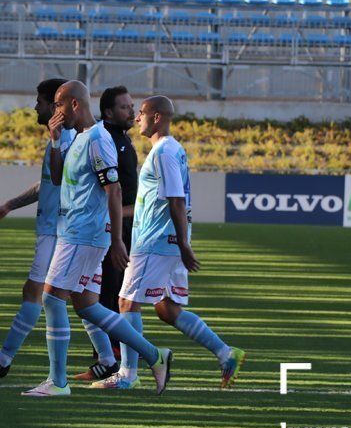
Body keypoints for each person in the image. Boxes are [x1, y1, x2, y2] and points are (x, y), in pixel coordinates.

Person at [23, 81, 173, 397]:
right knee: (88, 306)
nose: (56, 112)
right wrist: (53, 141)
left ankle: (58, 381)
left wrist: (117, 240)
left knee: (51, 297)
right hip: (75, 233)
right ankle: (154, 355)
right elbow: (56, 175)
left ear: (75, 105)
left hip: (85, 234)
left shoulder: (98, 139)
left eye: (60, 106)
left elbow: (114, 190)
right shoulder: (76, 139)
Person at [0, 79, 118, 382]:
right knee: (84, 299)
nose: (35, 106)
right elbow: (47, 183)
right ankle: (109, 360)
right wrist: (9, 204)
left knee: (37, 292)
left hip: (61, 230)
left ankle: (4, 360)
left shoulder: (73, 138)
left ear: (56, 106)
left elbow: (102, 186)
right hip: (68, 230)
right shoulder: (64, 138)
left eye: (40, 101)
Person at [95, 95, 245, 390]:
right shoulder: (171, 150)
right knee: (167, 309)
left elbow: (176, 200)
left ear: (157, 117)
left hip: (157, 240)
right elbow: (156, 201)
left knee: (126, 302)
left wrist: (184, 247)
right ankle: (226, 352)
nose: (137, 118)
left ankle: (127, 374)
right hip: (170, 238)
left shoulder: (163, 152)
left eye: (142, 113)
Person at [75, 86, 139, 381]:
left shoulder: (123, 138)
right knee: (104, 294)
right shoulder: (105, 139)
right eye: (125, 107)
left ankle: (112, 358)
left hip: (124, 227)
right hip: (111, 228)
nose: (132, 111)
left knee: (113, 294)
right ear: (109, 112)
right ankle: (109, 359)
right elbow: (109, 193)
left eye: (132, 105)